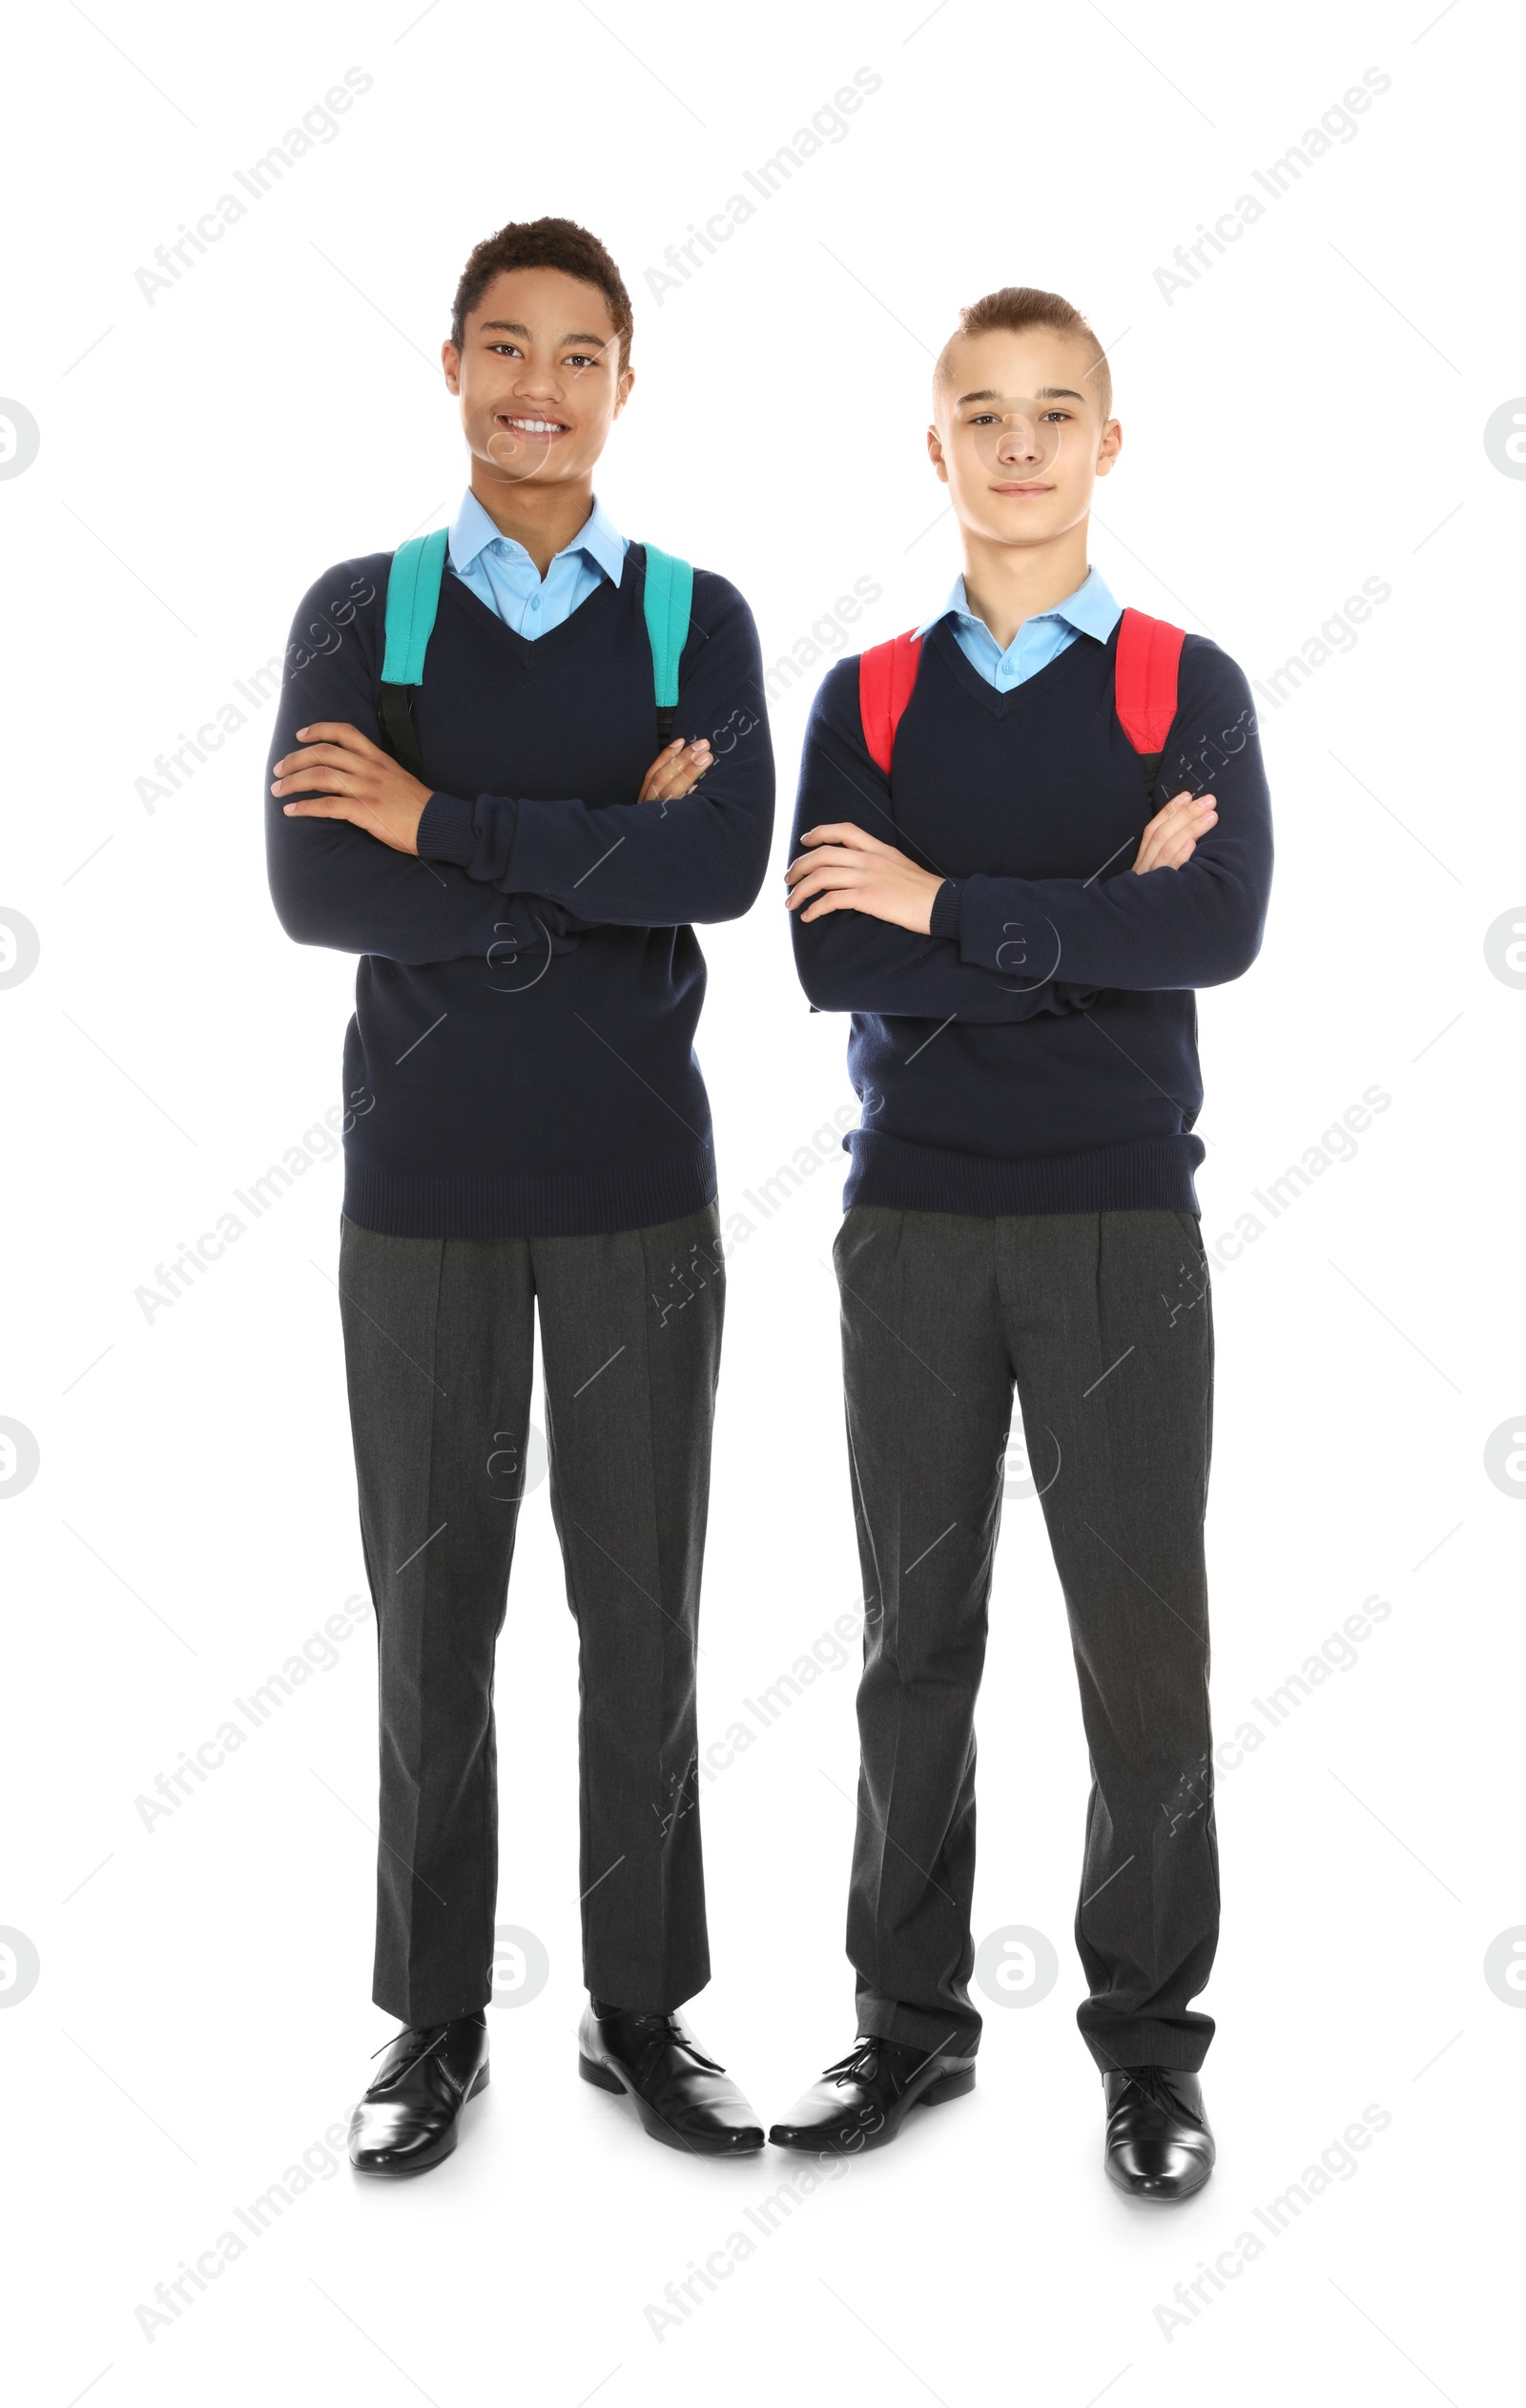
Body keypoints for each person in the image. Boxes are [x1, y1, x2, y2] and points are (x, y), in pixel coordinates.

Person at [265, 216, 773, 2174]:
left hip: (638, 1185)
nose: (537, 387)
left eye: (578, 354)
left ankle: (641, 2014)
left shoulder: (690, 620)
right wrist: (589, 855)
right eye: (504, 348)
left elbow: (718, 869)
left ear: (624, 385)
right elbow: (322, 892)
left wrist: (447, 830)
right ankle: (434, 2024)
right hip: (421, 1191)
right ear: (454, 367)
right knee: (432, 1618)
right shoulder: (360, 614)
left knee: (640, 1610)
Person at [773, 285, 1272, 2197]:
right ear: (934, 451)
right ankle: (906, 2031)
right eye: (978, 414)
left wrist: (948, 904)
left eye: (1051, 412)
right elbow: (831, 952)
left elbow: (1209, 932)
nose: (1014, 445)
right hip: (911, 1226)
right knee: (914, 1641)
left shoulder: (1180, 680)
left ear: (1105, 446)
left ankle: (1146, 2053)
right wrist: (1080, 912)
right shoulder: (866, 701)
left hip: (1118, 1228)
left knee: (1140, 1654)